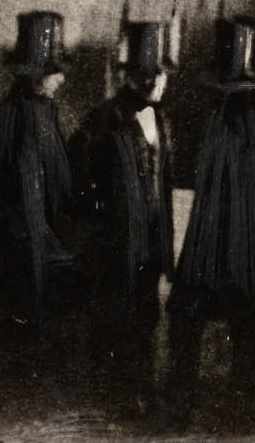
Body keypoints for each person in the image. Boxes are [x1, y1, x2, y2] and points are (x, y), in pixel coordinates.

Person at [168, 16, 255, 395]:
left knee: (189, 316)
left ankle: (182, 397)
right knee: (245, 325)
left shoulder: (222, 121)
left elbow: (211, 192)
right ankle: (241, 405)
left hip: (219, 249)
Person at [76, 19, 177, 377]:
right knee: (115, 326)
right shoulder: (103, 122)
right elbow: (82, 184)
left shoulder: (162, 121)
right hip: (115, 247)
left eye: (160, 76)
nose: (156, 83)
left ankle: (142, 393)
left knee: (146, 320)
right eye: (147, 76)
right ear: (129, 77)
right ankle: (116, 398)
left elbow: (163, 186)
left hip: (148, 245)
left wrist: (165, 248)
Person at [0, 10, 81, 339]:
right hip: (25, 252)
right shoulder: (12, 115)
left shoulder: (47, 111)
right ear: (36, 73)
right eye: (55, 72)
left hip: (50, 248)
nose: (61, 79)